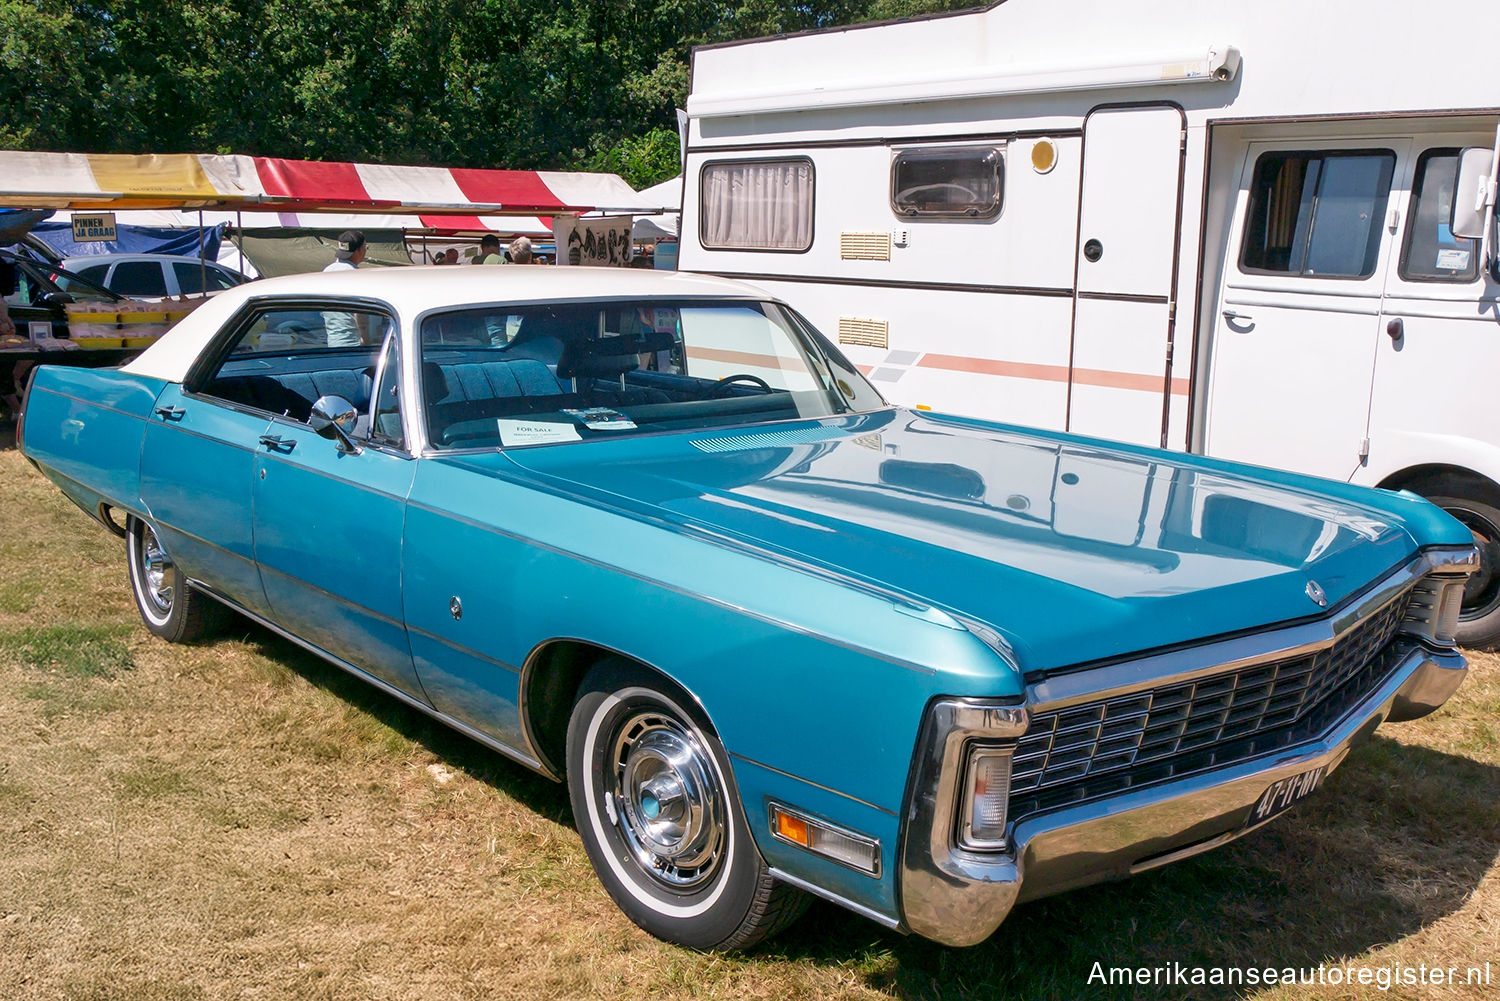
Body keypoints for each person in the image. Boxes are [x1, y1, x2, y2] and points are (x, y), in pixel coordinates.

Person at [322, 231, 367, 346]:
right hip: (354, 343)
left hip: (332, 341)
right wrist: (366, 340)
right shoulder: (356, 276)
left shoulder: (326, 272)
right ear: (359, 250)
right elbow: (360, 313)